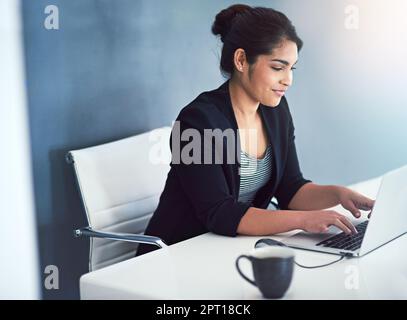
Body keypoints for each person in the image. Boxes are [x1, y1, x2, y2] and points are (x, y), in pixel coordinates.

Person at [136, 4, 374, 256]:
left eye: (291, 68)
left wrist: (339, 194)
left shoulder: (276, 111)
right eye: (277, 67)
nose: (288, 80)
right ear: (241, 60)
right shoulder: (196, 121)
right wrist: (303, 220)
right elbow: (220, 213)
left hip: (229, 250)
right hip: (174, 256)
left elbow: (290, 188)